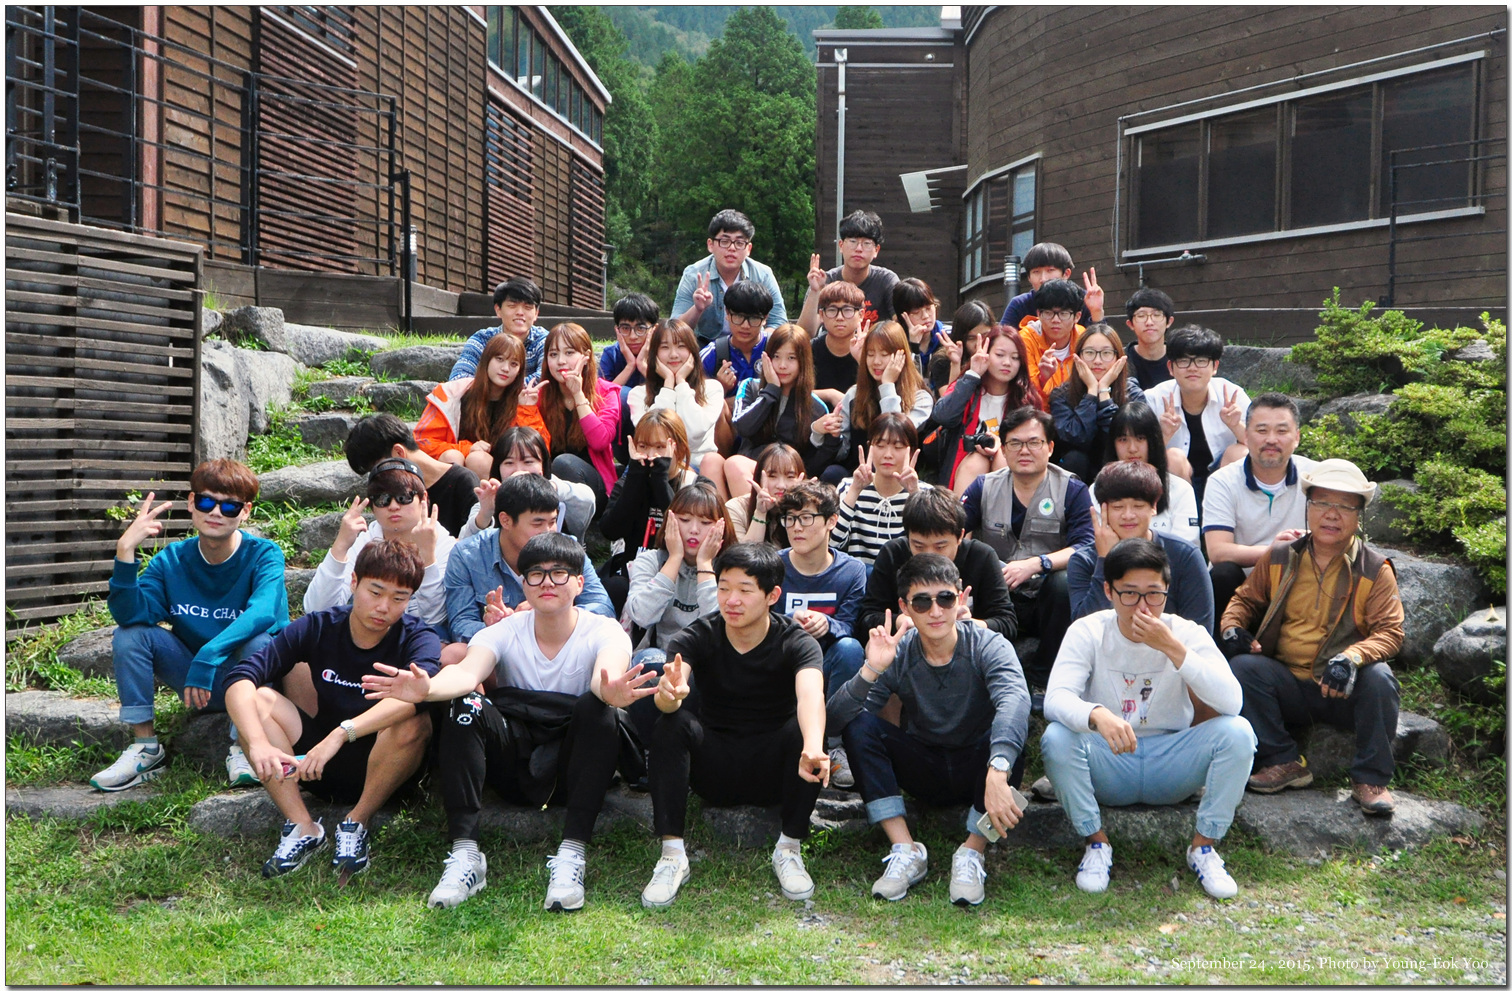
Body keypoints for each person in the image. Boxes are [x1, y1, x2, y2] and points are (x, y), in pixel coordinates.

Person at [364, 532, 656, 912]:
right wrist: (427, 688)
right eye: (536, 574)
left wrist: (612, 692)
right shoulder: (501, 631)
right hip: (513, 755)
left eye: (559, 573)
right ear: (523, 584)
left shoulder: (604, 630)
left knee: (597, 708)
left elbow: (607, 676)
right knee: (465, 703)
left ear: (580, 583)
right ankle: (466, 854)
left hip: (573, 763)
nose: (547, 582)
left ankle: (572, 854)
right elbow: (466, 674)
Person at [1042, 538, 1255, 899]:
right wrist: (1096, 714)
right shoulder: (1088, 630)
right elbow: (1056, 698)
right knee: (1056, 738)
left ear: (1167, 592)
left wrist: (1172, 647)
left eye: (1153, 594)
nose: (1142, 606)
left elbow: (1232, 701)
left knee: (1238, 733)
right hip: (1111, 759)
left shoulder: (1185, 632)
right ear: (1109, 591)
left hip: (1172, 760)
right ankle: (1096, 843)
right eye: (1129, 594)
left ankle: (1204, 847)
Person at [224, 540, 438, 878]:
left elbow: (421, 695)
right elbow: (241, 677)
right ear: (354, 582)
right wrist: (257, 743)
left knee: (414, 720)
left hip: (385, 767)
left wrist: (341, 734)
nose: (383, 607)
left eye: (399, 598)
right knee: (259, 698)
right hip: (316, 765)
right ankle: (302, 826)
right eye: (375, 592)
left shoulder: (418, 637)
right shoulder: (319, 625)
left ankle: (357, 822)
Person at [828, 553, 1031, 905]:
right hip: (924, 764)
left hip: (978, 766)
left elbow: (1015, 700)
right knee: (861, 725)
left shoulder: (988, 644)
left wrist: (998, 769)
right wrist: (870, 671)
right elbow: (836, 721)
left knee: (1010, 738)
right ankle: (905, 849)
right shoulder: (899, 651)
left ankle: (972, 851)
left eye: (945, 599)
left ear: (961, 598)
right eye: (922, 602)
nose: (935, 611)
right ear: (905, 607)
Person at [638, 543, 830, 908]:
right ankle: (672, 855)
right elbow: (670, 695)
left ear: (772, 595)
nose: (731, 600)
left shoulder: (796, 641)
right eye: (724, 588)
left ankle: (789, 848)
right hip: (715, 764)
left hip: (774, 768)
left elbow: (810, 696)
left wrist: (813, 746)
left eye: (744, 590)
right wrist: (670, 694)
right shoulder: (698, 635)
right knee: (671, 723)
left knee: (806, 733)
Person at [91, 459, 288, 792]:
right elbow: (130, 615)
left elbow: (264, 612)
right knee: (131, 635)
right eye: (207, 502)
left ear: (245, 511)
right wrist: (125, 551)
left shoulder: (263, 555)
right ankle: (145, 748)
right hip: (195, 683)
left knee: (257, 641)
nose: (216, 513)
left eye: (229, 506)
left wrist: (208, 655)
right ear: (191, 503)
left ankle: (244, 745)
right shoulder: (171, 561)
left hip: (250, 682)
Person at [1221, 459, 1404, 816]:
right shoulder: (1280, 556)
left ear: (1359, 516)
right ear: (1308, 507)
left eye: (1345, 506)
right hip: (1288, 683)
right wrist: (1232, 628)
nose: (1331, 514)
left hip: (1342, 687)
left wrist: (1352, 658)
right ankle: (1283, 760)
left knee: (1380, 678)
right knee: (1243, 667)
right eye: (1322, 503)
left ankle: (1371, 780)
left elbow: (1391, 632)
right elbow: (1245, 599)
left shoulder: (1374, 570)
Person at [960, 407, 1094, 692]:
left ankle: (1043, 680)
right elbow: (952, 531)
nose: (1024, 450)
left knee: (1065, 582)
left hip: (1045, 595)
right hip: (998, 593)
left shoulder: (1072, 489)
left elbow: (1086, 546)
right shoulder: (984, 486)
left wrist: (1037, 563)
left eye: (1034, 442)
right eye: (1015, 443)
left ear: (1050, 448)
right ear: (1003, 450)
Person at [305, 458, 462, 663]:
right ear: (372, 506)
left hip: (419, 642)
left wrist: (428, 557)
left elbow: (435, 618)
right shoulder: (363, 541)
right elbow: (317, 608)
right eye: (382, 499)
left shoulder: (445, 545)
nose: (393, 506)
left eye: (404, 497)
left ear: (423, 498)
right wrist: (340, 545)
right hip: (364, 636)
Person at [444, 472, 615, 644]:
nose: (548, 532)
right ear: (505, 520)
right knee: (455, 652)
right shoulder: (467, 555)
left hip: (560, 643)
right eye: (537, 524)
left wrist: (554, 615)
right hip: (499, 648)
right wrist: (505, 626)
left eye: (552, 522)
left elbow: (603, 608)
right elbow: (460, 626)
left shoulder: (568, 547)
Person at [773, 480, 869, 786]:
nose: (796, 527)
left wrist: (829, 625)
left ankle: (835, 743)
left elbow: (851, 623)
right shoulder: (774, 566)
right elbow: (758, 621)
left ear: (831, 521)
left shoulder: (852, 571)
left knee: (851, 648)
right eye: (790, 518)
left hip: (828, 665)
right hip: (782, 663)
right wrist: (789, 620)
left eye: (806, 518)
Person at [1202, 394, 1317, 624]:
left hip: (1298, 582)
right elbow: (1218, 551)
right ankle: (1226, 640)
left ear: (1297, 437)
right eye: (1262, 430)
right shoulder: (1222, 481)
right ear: (1246, 435)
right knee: (1223, 573)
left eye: (1281, 431)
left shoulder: (1315, 478)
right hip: (1242, 586)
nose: (1271, 440)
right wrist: (1275, 551)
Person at [858, 488, 1017, 645]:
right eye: (919, 546)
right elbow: (866, 618)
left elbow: (1007, 623)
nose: (929, 555)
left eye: (940, 547)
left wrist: (969, 624)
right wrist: (902, 621)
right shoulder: (893, 553)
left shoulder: (981, 556)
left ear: (960, 536)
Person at [1068, 461, 1213, 630]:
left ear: (1154, 507)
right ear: (1103, 509)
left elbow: (1200, 631)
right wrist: (1104, 560)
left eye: (1138, 506)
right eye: (1118, 507)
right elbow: (1084, 629)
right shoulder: (1083, 560)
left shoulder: (1185, 555)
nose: (1128, 515)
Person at [597, 410, 701, 614]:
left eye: (660, 447)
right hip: (632, 568)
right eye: (643, 446)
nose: (651, 456)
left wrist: (661, 481)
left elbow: (685, 531)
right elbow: (610, 530)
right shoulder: (629, 482)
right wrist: (636, 476)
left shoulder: (696, 486)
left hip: (680, 572)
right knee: (614, 589)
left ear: (678, 448)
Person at [623, 481, 730, 667]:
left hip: (709, 660)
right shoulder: (650, 560)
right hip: (659, 656)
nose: (694, 530)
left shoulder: (730, 566)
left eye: (705, 522)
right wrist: (674, 558)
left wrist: (705, 564)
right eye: (685, 520)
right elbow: (641, 616)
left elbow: (720, 625)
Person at [416, 331, 548, 481]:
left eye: (514, 364)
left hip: (503, 478)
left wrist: (527, 411)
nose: (505, 368)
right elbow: (423, 442)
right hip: (455, 468)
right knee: (451, 456)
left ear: (519, 371)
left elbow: (541, 453)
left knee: (478, 460)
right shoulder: (452, 393)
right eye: (499, 359)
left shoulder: (522, 400)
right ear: (486, 360)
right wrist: (468, 449)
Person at [726, 323, 840, 489]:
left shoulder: (816, 407)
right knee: (715, 461)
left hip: (789, 481)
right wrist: (771, 390)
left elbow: (813, 466)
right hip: (751, 470)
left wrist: (825, 434)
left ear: (803, 362)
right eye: (776, 356)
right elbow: (743, 427)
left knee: (734, 464)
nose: (782, 365)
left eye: (791, 358)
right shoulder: (750, 386)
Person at [1142, 325, 1249, 501]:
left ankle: (1227, 511)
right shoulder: (1154, 398)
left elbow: (1257, 446)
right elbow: (1140, 456)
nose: (1192, 368)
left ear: (1215, 366)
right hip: (1175, 478)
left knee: (1239, 452)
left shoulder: (1232, 394)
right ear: (1170, 367)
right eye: (1184, 361)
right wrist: (1164, 435)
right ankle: (1184, 516)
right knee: (1173, 457)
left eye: (1201, 360)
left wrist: (1236, 426)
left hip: (1221, 472)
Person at [931, 325, 1042, 494]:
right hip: (964, 466)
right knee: (977, 461)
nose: (1007, 362)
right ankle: (960, 511)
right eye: (1000, 355)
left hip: (1010, 466)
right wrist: (973, 374)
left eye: (1015, 357)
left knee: (1002, 459)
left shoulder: (1026, 398)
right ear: (985, 353)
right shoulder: (967, 385)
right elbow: (942, 416)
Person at [824, 320, 935, 485]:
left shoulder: (920, 398)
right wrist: (831, 435)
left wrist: (887, 385)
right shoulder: (855, 394)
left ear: (901, 356)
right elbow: (842, 453)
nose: (876, 361)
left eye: (884, 354)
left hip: (899, 477)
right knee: (832, 473)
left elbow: (895, 434)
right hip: (858, 474)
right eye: (870, 354)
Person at [627, 319, 728, 499]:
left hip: (699, 468)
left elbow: (694, 433)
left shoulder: (712, 389)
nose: (673, 354)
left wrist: (681, 383)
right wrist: (668, 384)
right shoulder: (638, 394)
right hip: (656, 465)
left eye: (681, 346)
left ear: (692, 351)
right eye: (665, 347)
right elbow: (654, 436)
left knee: (709, 463)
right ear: (654, 354)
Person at [344, 413, 479, 538]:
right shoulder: (390, 496)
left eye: (379, 467)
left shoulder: (463, 483)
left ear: (399, 452)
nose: (378, 477)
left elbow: (474, 543)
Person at [459, 426, 596, 544]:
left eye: (528, 462)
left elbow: (587, 500)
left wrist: (549, 488)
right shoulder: (491, 496)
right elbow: (464, 545)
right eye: (509, 463)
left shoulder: (554, 486)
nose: (519, 470)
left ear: (542, 465)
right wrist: (486, 512)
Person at [537, 322, 621, 513]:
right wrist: (527, 410)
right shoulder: (541, 396)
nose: (561, 361)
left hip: (592, 486)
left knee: (564, 463)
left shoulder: (606, 393)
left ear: (586, 356)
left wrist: (578, 395)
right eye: (553, 354)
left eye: (569, 353)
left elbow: (600, 441)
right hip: (549, 485)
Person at [672, 209, 788, 345]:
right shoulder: (693, 274)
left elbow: (779, 322)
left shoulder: (763, 274)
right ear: (710, 245)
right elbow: (674, 329)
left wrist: (759, 344)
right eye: (724, 241)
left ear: (748, 249)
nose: (732, 248)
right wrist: (697, 309)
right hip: (704, 347)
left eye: (739, 243)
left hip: (754, 346)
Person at [1049, 324, 1146, 484]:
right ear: (1077, 357)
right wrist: (1091, 393)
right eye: (1089, 353)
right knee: (1076, 457)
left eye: (1106, 353)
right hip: (1079, 472)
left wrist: (1104, 392)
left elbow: (1124, 440)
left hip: (1122, 472)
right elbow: (1076, 438)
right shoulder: (1061, 395)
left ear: (1118, 357)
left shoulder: (1132, 392)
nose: (1097, 361)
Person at [1092, 403, 1200, 546]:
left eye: (1140, 438)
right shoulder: (1096, 490)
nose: (1132, 449)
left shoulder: (1181, 489)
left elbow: (1186, 547)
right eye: (1123, 440)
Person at [831, 414, 929, 567]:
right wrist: (855, 490)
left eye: (898, 447)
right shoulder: (848, 486)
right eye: (880, 445)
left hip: (906, 575)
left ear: (911, 452)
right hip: (860, 574)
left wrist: (914, 494)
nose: (888, 455)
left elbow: (928, 546)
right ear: (869, 447)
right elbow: (833, 543)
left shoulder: (925, 493)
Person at [797, 210, 899, 331]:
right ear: (841, 245)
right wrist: (815, 291)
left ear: (876, 250)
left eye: (866, 243)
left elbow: (901, 325)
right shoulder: (824, 281)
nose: (859, 249)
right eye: (853, 242)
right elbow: (804, 334)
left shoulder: (887, 281)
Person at [449, 276, 548, 381]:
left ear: (536, 314)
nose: (520, 313)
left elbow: (545, 377)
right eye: (512, 306)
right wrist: (496, 389)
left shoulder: (545, 341)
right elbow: (458, 377)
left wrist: (503, 387)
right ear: (498, 310)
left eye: (527, 307)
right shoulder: (483, 339)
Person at [1001, 242, 1101, 329]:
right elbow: (1002, 339)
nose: (1043, 279)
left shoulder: (1085, 301)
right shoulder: (1019, 304)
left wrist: (1096, 312)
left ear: (1066, 274)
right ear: (1029, 278)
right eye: (1036, 272)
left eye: (1050, 270)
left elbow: (1100, 341)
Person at [699, 280, 772, 399]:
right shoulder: (711, 355)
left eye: (754, 318)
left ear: (765, 318)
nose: (745, 326)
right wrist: (720, 388)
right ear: (727, 313)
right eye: (738, 316)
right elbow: (697, 403)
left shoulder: (776, 348)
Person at [1020, 279, 1090, 404]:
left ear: (1077, 317)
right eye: (1048, 313)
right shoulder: (1025, 339)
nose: (1056, 320)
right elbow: (1023, 392)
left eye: (1063, 313)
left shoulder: (1083, 337)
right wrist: (1042, 378)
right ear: (1038, 314)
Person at [726, 442, 805, 546]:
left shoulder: (810, 511)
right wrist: (760, 513)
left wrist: (800, 508)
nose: (781, 485)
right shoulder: (736, 509)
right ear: (759, 477)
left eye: (790, 477)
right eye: (772, 476)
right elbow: (744, 555)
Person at [810, 280, 866, 412]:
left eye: (847, 310)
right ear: (822, 315)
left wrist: (862, 360)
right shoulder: (808, 350)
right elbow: (793, 392)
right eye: (832, 310)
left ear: (861, 315)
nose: (839, 317)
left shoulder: (869, 351)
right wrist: (829, 394)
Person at [927, 300, 995, 394]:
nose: (978, 343)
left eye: (985, 336)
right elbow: (948, 400)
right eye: (971, 338)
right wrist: (955, 364)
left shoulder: (998, 356)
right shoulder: (943, 360)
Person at [599, 292, 658, 391]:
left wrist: (642, 365)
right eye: (625, 328)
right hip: (620, 401)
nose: (633, 336)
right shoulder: (611, 354)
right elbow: (603, 394)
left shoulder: (662, 353)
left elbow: (666, 392)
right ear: (617, 330)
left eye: (640, 328)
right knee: (623, 392)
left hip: (654, 400)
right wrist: (630, 365)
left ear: (654, 329)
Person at [1123, 288, 1176, 390]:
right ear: (1130, 324)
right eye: (1141, 316)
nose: (1149, 322)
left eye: (1156, 315)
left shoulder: (1180, 359)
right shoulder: (1120, 360)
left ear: (1169, 322)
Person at [892, 277, 945, 376]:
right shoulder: (892, 341)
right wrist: (913, 346)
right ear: (902, 316)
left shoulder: (948, 336)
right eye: (916, 312)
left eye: (929, 308)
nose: (925, 316)